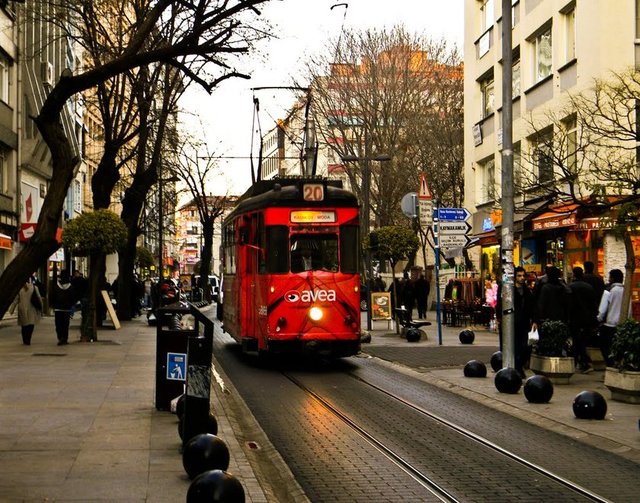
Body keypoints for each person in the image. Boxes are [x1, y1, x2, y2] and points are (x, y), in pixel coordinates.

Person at [569, 266, 598, 373]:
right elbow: (593, 304)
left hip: (575, 318)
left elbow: (569, 304)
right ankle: (579, 362)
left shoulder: (571, 287)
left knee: (577, 340)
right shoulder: (589, 287)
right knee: (580, 340)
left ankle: (584, 362)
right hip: (587, 318)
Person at [597, 268, 625, 367]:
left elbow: (603, 308)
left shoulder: (609, 290)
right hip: (623, 324)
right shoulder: (626, 290)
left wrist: (599, 319)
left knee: (605, 346)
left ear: (612, 278)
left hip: (610, 324)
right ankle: (618, 364)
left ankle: (610, 365)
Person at [512, 267, 536, 378]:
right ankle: (518, 369)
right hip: (513, 322)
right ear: (515, 277)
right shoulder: (510, 290)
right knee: (516, 347)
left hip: (525, 322)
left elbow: (532, 306)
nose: (521, 278)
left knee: (527, 347)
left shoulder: (527, 291)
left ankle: (519, 366)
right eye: (519, 276)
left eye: (523, 276)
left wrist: (534, 320)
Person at [9, 278, 43, 345]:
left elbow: (16, 300)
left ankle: (25, 339)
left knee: (24, 325)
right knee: (31, 324)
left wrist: (11, 310)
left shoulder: (19, 289)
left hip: (22, 308)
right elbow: (39, 297)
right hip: (32, 308)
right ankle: (28, 339)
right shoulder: (34, 287)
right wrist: (41, 307)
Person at [49, 270, 77, 345]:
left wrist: (52, 305)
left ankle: (60, 337)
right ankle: (64, 338)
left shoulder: (56, 286)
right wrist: (70, 305)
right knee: (65, 324)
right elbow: (73, 298)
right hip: (67, 309)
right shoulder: (71, 287)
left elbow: (52, 296)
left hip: (58, 309)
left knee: (58, 324)